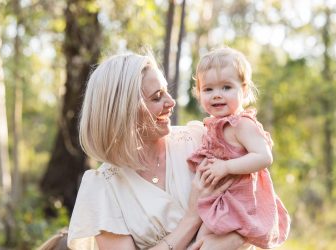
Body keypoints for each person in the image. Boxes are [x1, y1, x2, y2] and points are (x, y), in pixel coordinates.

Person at [67, 51, 251, 250]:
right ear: (124, 111)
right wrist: (191, 219)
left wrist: (237, 239)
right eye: (157, 97)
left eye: (166, 91)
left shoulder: (200, 140)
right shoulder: (102, 187)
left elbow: (258, 203)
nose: (171, 102)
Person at [187, 47, 291, 249]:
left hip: (240, 204)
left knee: (206, 245)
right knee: (198, 242)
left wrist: (226, 167)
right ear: (199, 93)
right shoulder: (215, 124)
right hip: (221, 201)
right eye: (208, 89)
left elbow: (264, 157)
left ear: (243, 91)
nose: (217, 95)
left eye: (226, 87)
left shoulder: (241, 124)